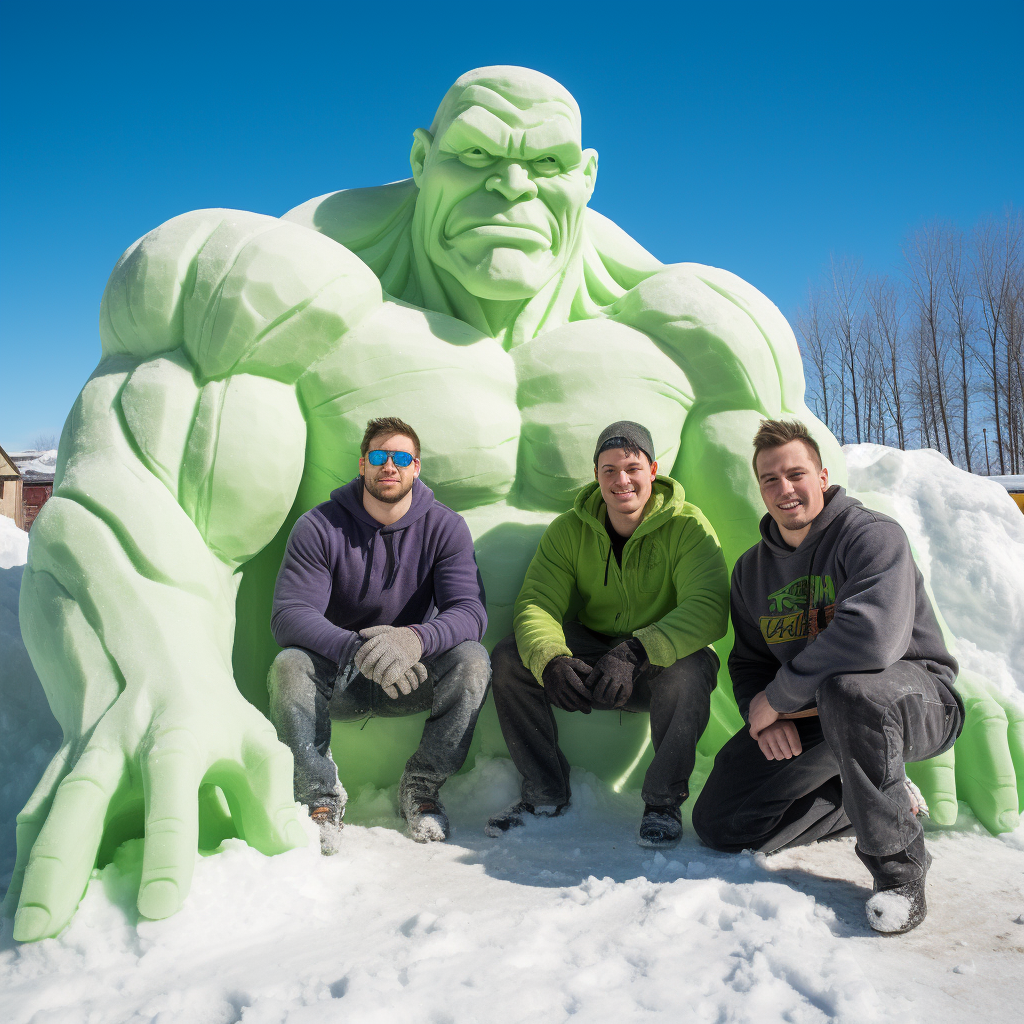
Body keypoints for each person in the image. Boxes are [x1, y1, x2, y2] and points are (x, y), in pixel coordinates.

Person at [9, 66, 1017, 942]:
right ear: (421, 155)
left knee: (674, 704)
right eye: (477, 158)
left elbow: (819, 539)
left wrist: (923, 681)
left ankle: (849, 826)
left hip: (621, 689)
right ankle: (429, 787)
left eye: (542, 166)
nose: (511, 189)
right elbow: (128, 488)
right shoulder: (275, 283)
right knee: (495, 655)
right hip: (401, 695)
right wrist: (152, 671)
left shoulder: (691, 329)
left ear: (585, 178)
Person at [691, 420, 964, 933]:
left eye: (796, 473)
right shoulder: (751, 570)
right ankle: (872, 799)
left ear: (821, 476)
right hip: (817, 714)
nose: (784, 488)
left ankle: (900, 871)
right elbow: (749, 661)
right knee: (720, 824)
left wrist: (780, 694)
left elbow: (873, 639)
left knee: (849, 688)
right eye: (770, 479)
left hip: (915, 701)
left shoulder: (871, 536)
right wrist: (764, 714)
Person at [486, 421, 728, 847]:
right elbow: (537, 602)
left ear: (653, 469)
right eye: (609, 469)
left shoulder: (689, 527)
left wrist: (637, 651)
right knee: (510, 657)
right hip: (594, 650)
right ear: (596, 474)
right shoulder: (568, 530)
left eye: (632, 468)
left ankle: (662, 803)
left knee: (689, 672)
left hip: (658, 659)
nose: (622, 480)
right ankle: (545, 792)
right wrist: (552, 659)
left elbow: (708, 607)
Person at [267, 417, 490, 849]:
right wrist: (356, 648)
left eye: (402, 457)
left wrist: (413, 641)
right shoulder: (319, 527)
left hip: (411, 676)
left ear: (416, 467)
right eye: (379, 456)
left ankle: (421, 789)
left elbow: (469, 610)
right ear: (362, 464)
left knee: (473, 659)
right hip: (340, 677)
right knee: (288, 666)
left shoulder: (446, 527)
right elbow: (289, 614)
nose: (390, 465)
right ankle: (319, 799)